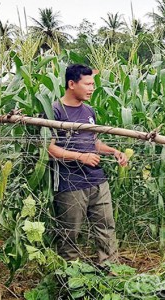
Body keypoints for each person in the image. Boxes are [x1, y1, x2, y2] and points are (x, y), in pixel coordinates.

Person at [48, 64, 128, 264]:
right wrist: (80, 157)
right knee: (70, 234)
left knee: (106, 227)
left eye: (93, 84)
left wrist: (114, 151)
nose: (92, 88)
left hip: (97, 180)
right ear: (72, 84)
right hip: (70, 183)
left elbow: (93, 142)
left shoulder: (89, 110)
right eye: (88, 84)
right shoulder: (54, 110)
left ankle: (111, 273)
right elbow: (48, 149)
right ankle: (70, 281)